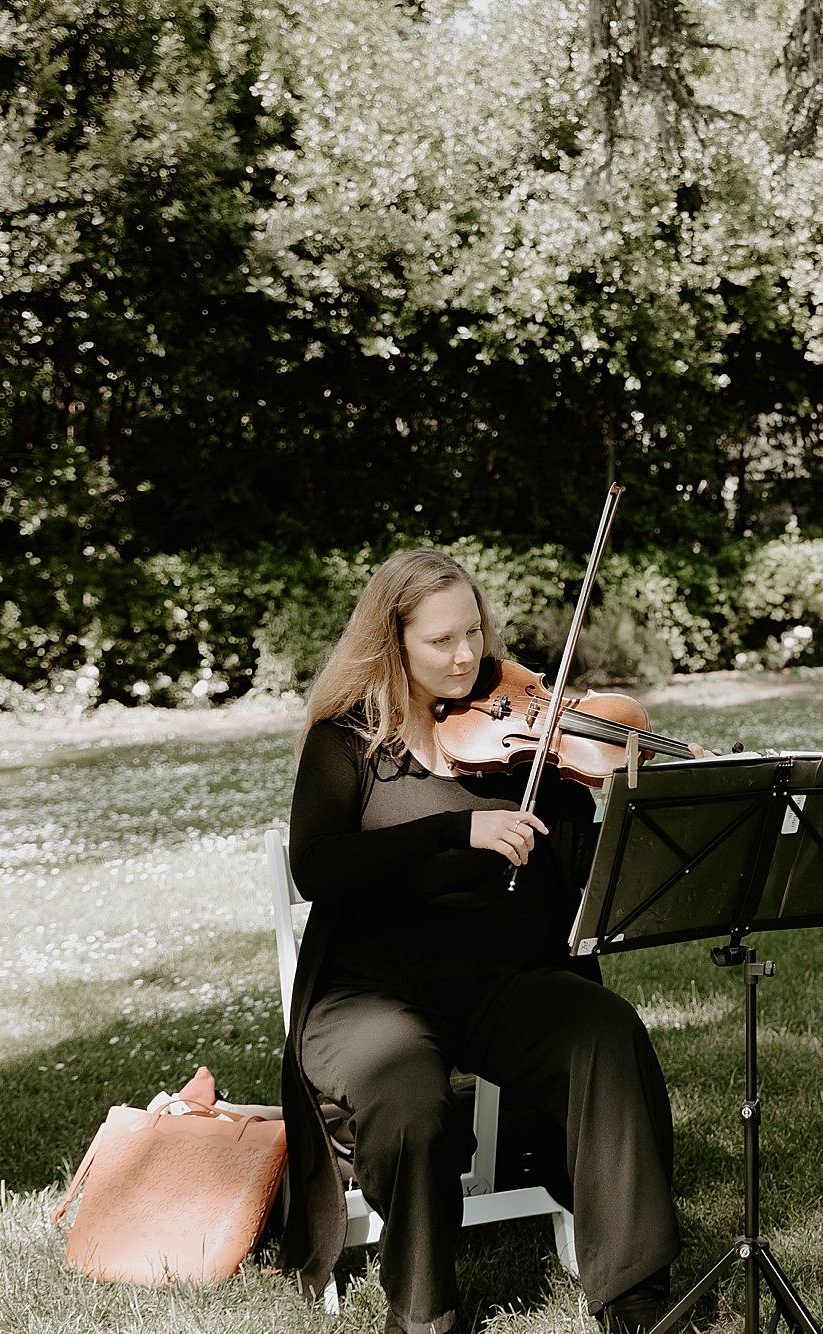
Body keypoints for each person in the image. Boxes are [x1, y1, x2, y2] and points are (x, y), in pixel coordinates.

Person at [280, 548, 679, 1334]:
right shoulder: (348, 739)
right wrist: (455, 830)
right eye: (440, 641)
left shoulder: (525, 738)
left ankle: (634, 1298)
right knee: (407, 1101)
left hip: (498, 979)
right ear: (390, 643)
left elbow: (569, 882)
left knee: (605, 1033)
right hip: (369, 989)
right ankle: (427, 1312)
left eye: (474, 632)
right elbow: (317, 865)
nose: (467, 656)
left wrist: (627, 816)